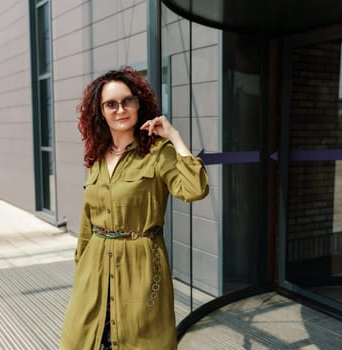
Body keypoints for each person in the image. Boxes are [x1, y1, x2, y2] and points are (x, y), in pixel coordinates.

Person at [60, 66, 209, 350]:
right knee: (86, 339)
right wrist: (83, 268)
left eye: (127, 100)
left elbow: (195, 189)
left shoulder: (157, 154)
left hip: (141, 267)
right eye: (111, 104)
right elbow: (87, 220)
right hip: (95, 268)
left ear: (139, 103)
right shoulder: (96, 157)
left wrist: (175, 137)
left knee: (140, 340)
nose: (120, 109)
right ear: (100, 111)